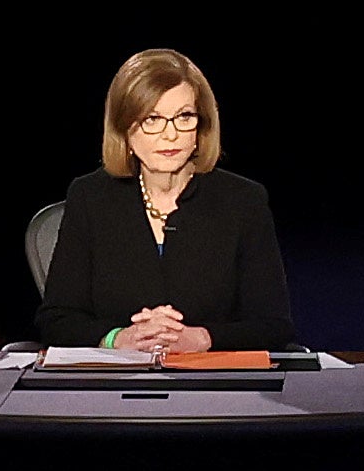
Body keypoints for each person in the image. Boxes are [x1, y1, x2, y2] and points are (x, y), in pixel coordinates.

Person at [37, 47, 301, 354]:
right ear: (124, 128)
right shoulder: (90, 197)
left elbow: (273, 325)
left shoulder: (244, 201)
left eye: (184, 117)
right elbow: (56, 320)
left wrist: (202, 339)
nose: (171, 134)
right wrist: (118, 338)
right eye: (152, 119)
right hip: (114, 390)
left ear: (201, 125)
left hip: (213, 389)